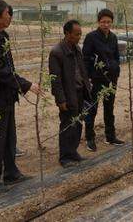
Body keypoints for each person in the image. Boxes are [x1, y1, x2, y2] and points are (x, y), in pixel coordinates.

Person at [0, 0, 44, 193]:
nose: (10, 17)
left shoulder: (1, 36)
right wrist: (26, 84)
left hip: (5, 95)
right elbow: (1, 72)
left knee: (9, 138)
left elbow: (8, 69)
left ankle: (11, 173)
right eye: (8, 14)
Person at [49, 20, 92, 168]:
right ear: (67, 34)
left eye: (80, 33)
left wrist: (88, 87)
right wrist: (60, 100)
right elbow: (56, 80)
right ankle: (65, 157)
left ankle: (73, 152)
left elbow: (82, 71)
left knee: (78, 123)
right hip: (68, 95)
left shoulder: (76, 49)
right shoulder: (57, 52)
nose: (79, 36)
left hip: (79, 93)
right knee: (67, 125)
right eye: (76, 34)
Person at [83, 8, 125, 151]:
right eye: (103, 22)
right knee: (92, 108)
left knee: (109, 108)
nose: (106, 25)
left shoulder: (113, 37)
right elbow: (86, 59)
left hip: (111, 79)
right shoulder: (91, 37)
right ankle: (89, 138)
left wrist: (116, 70)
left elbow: (116, 56)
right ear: (98, 22)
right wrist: (89, 77)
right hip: (96, 79)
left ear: (112, 22)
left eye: (108, 22)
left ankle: (110, 136)